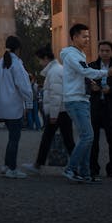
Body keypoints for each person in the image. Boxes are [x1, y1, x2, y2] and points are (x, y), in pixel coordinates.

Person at [60, 24, 111, 184]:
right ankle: (70, 168)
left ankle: (85, 173)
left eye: (88, 36)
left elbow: (81, 74)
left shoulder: (78, 54)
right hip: (75, 100)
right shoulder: (73, 56)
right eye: (84, 36)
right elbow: (84, 71)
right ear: (74, 37)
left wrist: (90, 83)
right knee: (88, 136)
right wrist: (105, 72)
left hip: (81, 98)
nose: (87, 39)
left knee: (86, 136)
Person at [22, 47, 75, 175]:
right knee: (64, 139)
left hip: (58, 112)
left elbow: (56, 95)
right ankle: (76, 165)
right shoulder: (57, 70)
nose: (39, 63)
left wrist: (53, 114)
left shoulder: (54, 72)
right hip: (61, 111)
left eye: (39, 60)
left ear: (45, 58)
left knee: (53, 138)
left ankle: (39, 165)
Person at [0, 35, 33, 179]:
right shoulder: (16, 64)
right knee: (14, 138)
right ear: (18, 49)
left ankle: (6, 165)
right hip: (14, 105)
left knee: (12, 137)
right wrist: (29, 102)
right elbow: (24, 85)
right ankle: (12, 168)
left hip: (2, 105)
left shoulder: (0, 63)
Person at [89, 40, 112, 179]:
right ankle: (93, 167)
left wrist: (111, 90)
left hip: (111, 108)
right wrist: (92, 88)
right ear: (98, 52)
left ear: (111, 52)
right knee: (93, 140)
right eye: (102, 50)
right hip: (96, 107)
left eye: (107, 50)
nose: (104, 53)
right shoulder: (91, 66)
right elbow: (84, 83)